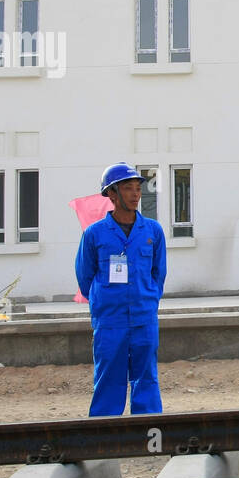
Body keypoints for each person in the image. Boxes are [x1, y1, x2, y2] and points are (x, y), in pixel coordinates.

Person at [75, 164, 167, 416]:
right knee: (108, 380)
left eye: (138, 188)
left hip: (143, 318)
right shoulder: (94, 234)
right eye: (128, 188)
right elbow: (84, 276)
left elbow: (159, 274)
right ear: (112, 194)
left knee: (146, 377)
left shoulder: (152, 231)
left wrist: (146, 300)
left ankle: (148, 429)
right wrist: (104, 302)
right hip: (110, 320)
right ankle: (105, 434)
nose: (135, 194)